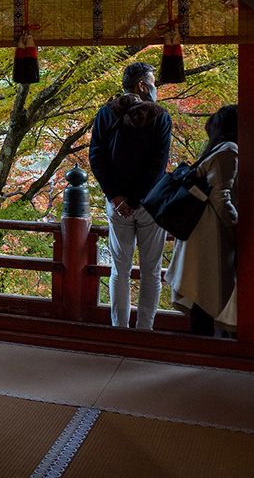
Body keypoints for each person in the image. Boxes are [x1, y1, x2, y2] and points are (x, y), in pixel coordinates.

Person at [88, 62, 172, 329]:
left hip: (117, 205)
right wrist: (137, 199)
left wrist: (117, 197)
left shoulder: (105, 114)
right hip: (150, 203)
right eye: (153, 83)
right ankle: (144, 331)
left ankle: (119, 329)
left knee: (119, 270)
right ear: (142, 86)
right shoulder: (160, 116)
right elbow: (158, 166)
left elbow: (96, 158)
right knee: (151, 271)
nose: (155, 88)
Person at [166, 104, 239, 336]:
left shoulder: (215, 150)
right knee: (206, 296)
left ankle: (201, 351)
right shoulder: (230, 152)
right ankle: (203, 353)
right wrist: (237, 226)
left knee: (202, 295)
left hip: (199, 231)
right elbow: (221, 195)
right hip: (211, 234)